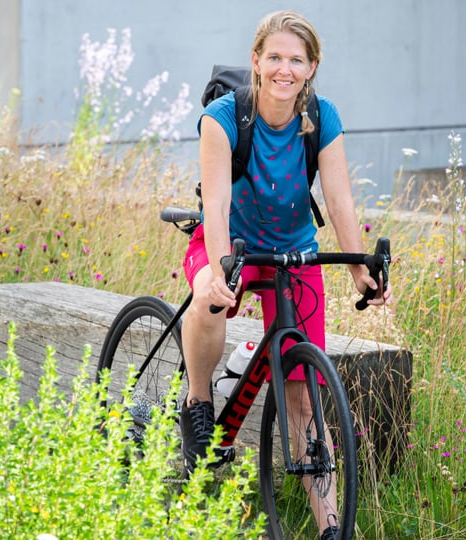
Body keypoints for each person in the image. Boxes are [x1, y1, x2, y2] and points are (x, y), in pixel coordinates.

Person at [179, 9, 391, 540]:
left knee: (302, 392)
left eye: (296, 60)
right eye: (274, 57)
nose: (284, 69)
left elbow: (340, 202)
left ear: (311, 67)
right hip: (229, 243)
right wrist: (222, 270)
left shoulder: (323, 117)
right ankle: (198, 399)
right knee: (211, 298)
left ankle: (331, 529)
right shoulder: (223, 118)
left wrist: (360, 268)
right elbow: (218, 205)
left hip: (293, 250)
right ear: (256, 61)